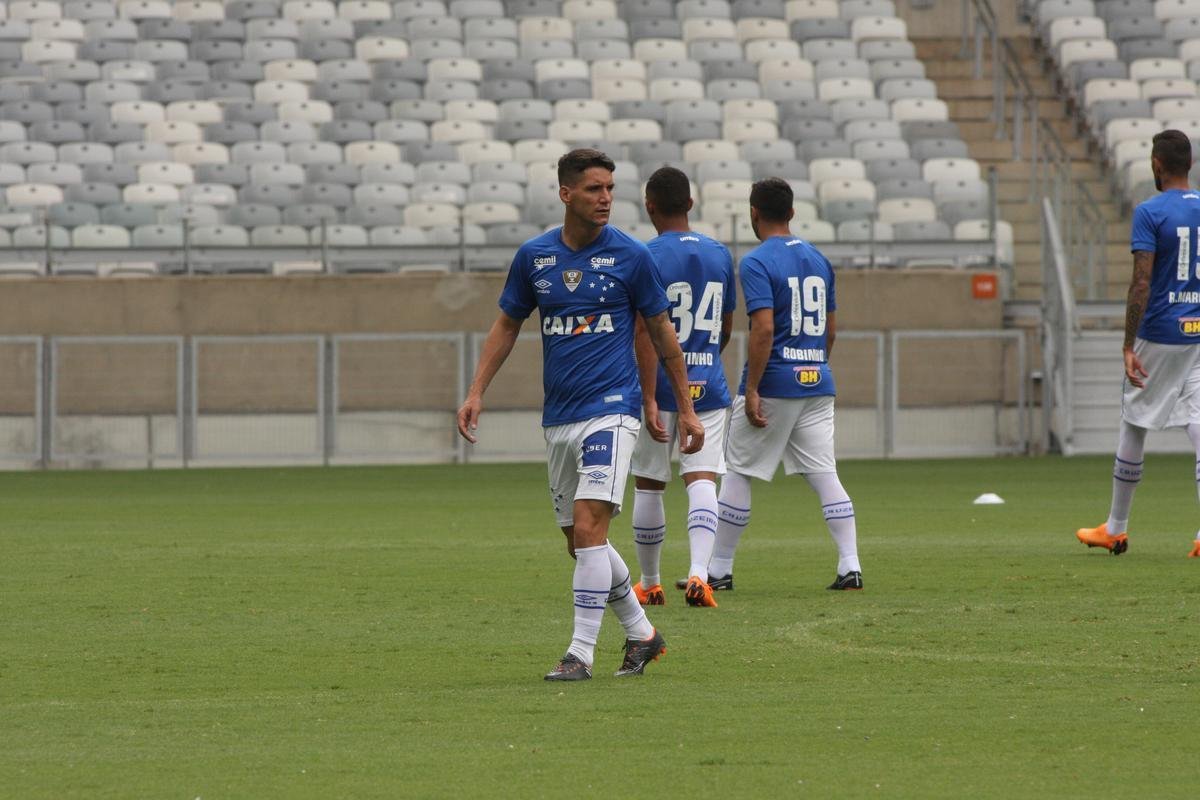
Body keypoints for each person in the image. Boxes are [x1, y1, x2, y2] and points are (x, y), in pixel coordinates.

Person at [456, 148, 706, 681]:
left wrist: (685, 407)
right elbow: (507, 325)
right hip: (559, 417)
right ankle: (643, 634)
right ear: (567, 193)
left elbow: (663, 333)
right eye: (594, 189)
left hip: (612, 410)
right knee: (579, 542)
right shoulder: (534, 257)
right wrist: (476, 391)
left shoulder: (632, 257)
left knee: (592, 527)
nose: (606, 199)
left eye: (611, 189)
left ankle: (580, 654)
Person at [700, 177, 864, 591]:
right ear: (792, 213)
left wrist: (752, 388)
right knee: (825, 473)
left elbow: (763, 329)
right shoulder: (819, 259)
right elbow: (829, 330)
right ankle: (850, 565)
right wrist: (814, 367)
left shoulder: (756, 262)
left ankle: (719, 569)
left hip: (775, 381)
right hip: (817, 380)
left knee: (737, 471)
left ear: (754, 213)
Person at [1076, 129, 1200, 558]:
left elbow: (1141, 282)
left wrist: (1129, 344)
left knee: (1133, 421)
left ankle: (1116, 527)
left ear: (1157, 165)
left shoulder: (1150, 212)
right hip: (1199, 331)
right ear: (1191, 165)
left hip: (1161, 332)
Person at [627, 166, 736, 609]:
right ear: (690, 204)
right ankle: (698, 575)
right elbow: (727, 327)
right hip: (707, 382)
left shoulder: (643, 254)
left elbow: (642, 330)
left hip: (660, 384)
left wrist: (650, 395)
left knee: (650, 482)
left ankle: (650, 582)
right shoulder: (719, 253)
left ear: (649, 206)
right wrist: (702, 359)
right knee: (702, 478)